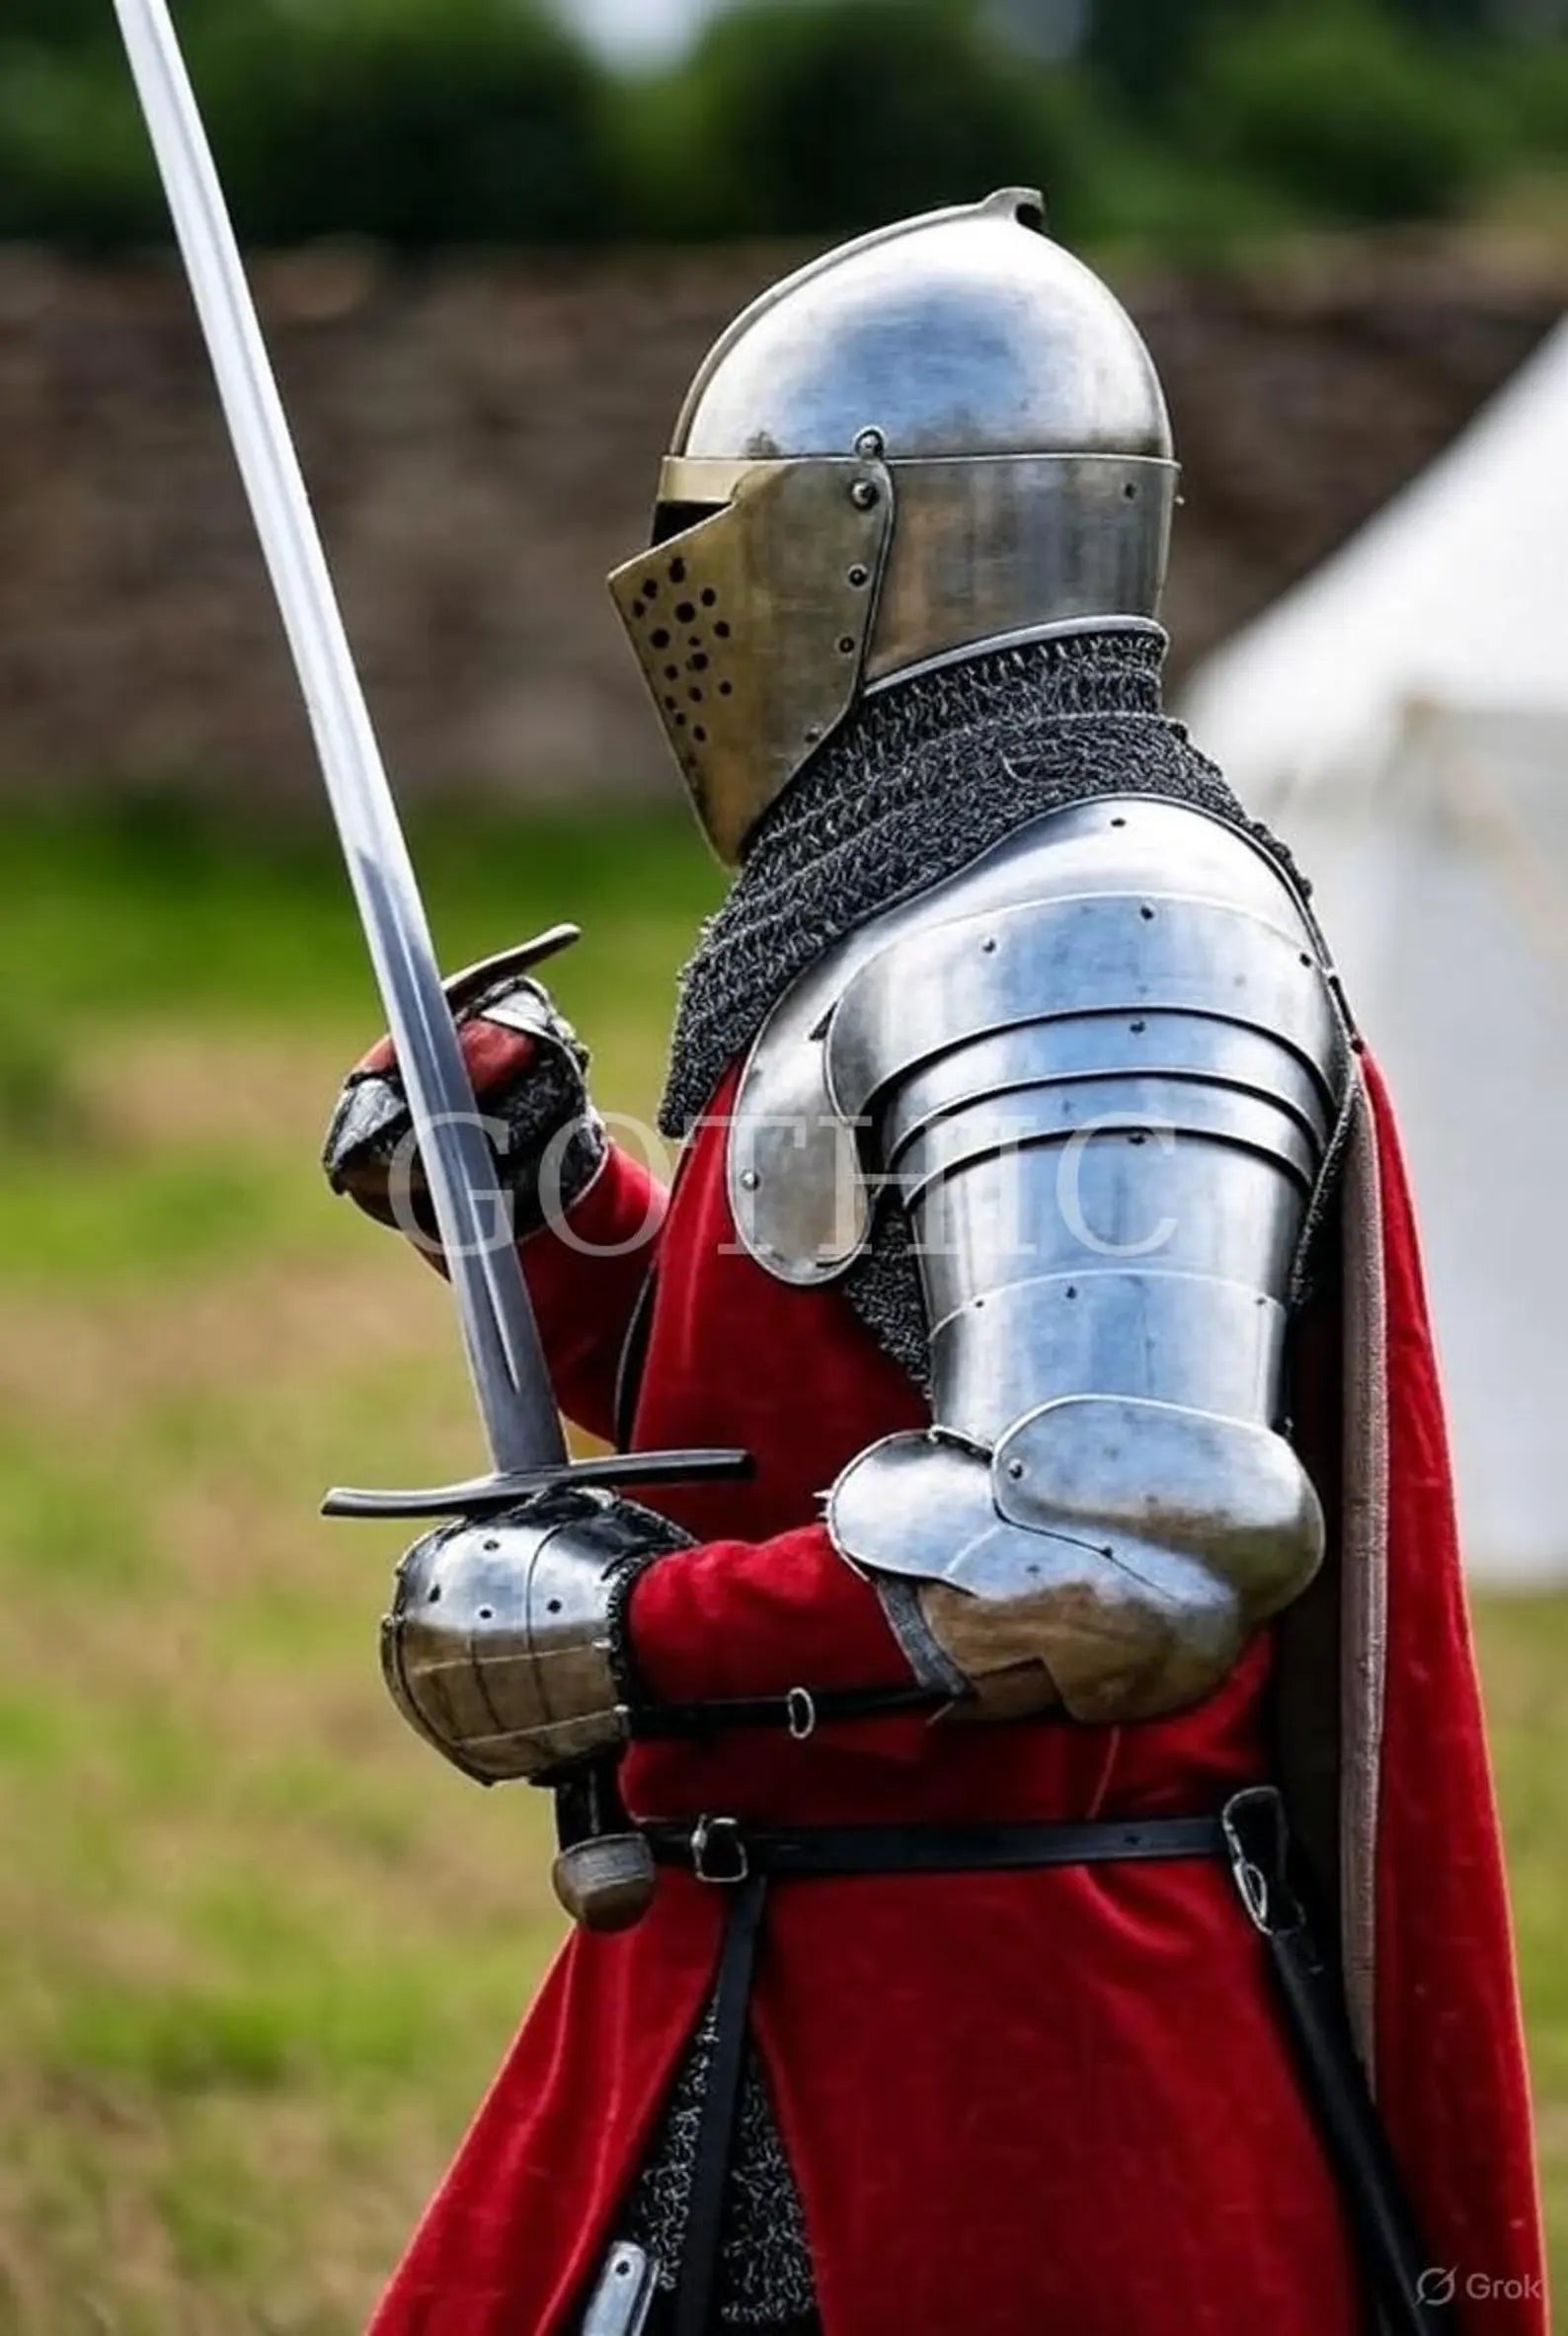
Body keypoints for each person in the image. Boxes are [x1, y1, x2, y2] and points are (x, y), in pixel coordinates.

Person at [324, 193, 1545, 2336]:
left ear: (862, 527)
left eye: (722, 525)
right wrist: (537, 1201)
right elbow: (804, 1376)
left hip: (1014, 2075)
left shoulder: (1096, 933)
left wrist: (630, 1637)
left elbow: (1119, 1538)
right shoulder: (920, 917)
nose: (679, 589)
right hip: (785, 1971)